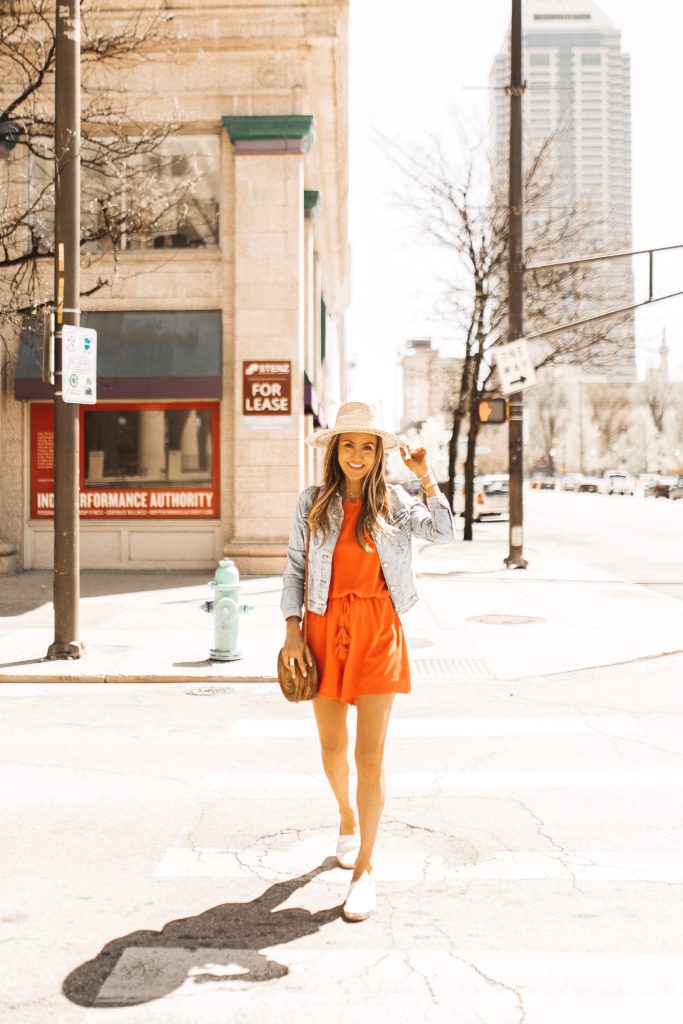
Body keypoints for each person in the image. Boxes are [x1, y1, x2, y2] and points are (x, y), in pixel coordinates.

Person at [281, 401, 454, 921]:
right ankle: (347, 819)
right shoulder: (313, 503)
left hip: (378, 629)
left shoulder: (396, 502)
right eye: (348, 445)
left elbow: (443, 533)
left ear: (379, 454)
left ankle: (365, 871)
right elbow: (293, 568)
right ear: (335, 451)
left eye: (367, 446)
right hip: (320, 629)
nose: (357, 455)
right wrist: (292, 633)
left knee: (369, 757)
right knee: (333, 749)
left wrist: (427, 479)